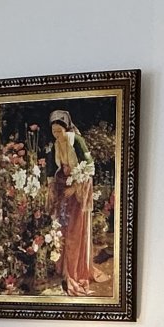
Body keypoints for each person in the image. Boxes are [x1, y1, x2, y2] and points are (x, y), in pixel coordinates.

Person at [47, 110, 106, 297]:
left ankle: (75, 270)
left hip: (78, 191)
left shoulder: (77, 141)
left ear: (66, 128)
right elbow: (51, 170)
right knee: (61, 229)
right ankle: (63, 269)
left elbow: (89, 167)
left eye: (59, 131)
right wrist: (52, 189)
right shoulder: (55, 145)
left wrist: (75, 187)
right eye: (54, 132)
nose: (57, 135)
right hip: (63, 190)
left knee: (75, 230)